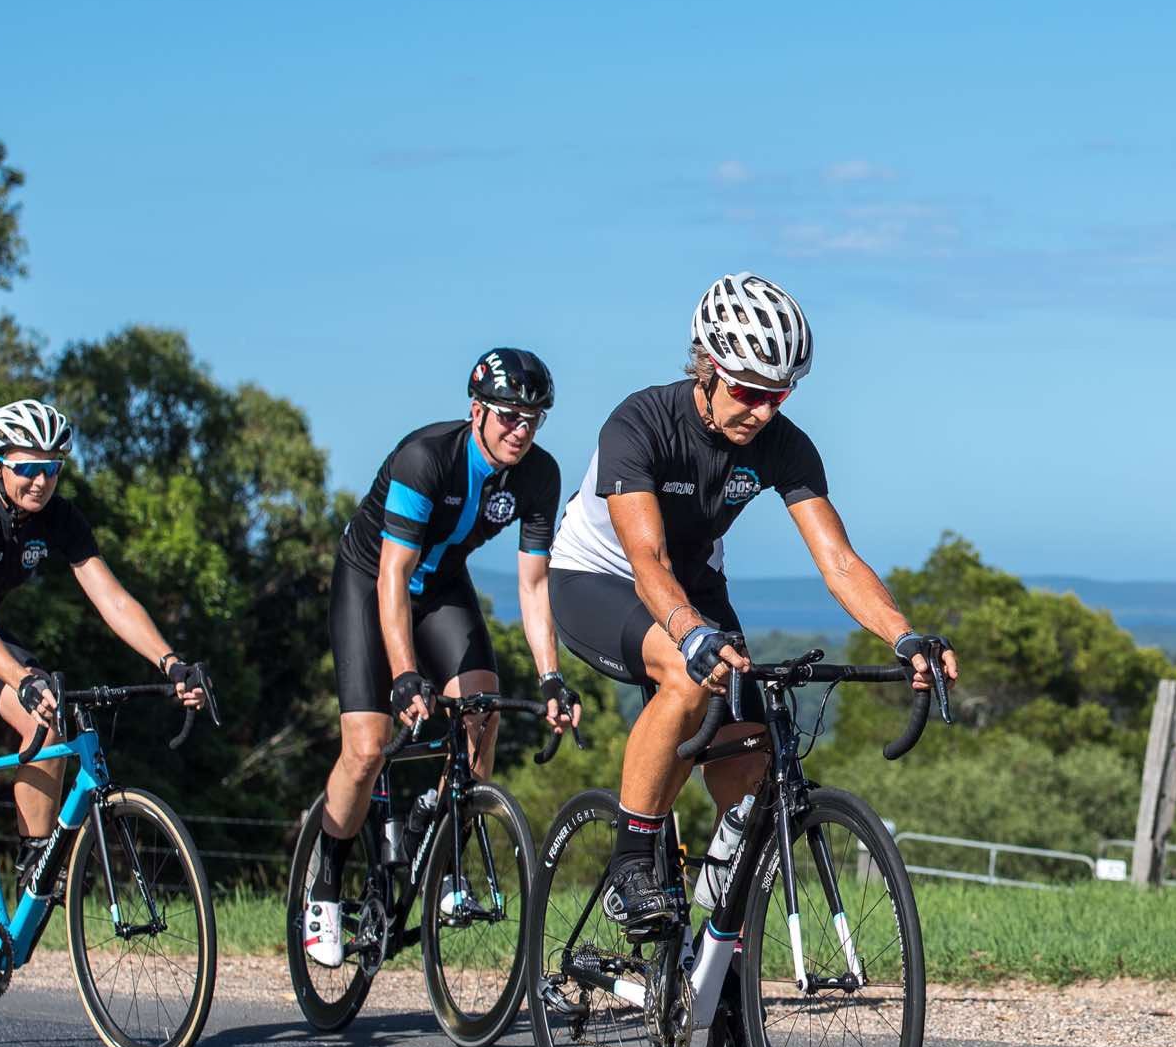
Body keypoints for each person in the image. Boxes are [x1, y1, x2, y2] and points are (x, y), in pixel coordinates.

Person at [548, 272, 958, 932]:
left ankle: (709, 927)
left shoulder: (780, 444)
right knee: (686, 676)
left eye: (779, 394)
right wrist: (691, 635)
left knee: (756, 751)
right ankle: (630, 866)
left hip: (696, 583)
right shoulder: (640, 422)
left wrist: (904, 636)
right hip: (599, 577)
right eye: (748, 391)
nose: (763, 411)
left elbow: (840, 562)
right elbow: (647, 561)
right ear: (707, 366)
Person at [0, 398, 211, 1021]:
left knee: (51, 713)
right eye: (27, 466)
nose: (40, 480)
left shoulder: (58, 516)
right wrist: (21, 678)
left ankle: (34, 859)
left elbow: (112, 599)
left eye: (52, 467)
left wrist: (170, 662)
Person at [302, 349, 575, 967]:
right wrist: (403, 676)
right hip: (370, 581)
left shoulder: (539, 475)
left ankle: (446, 860)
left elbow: (534, 586)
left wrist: (552, 677)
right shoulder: (426, 458)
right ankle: (324, 888)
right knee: (368, 746)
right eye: (509, 417)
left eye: (534, 418)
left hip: (443, 585)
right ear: (477, 411)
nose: (521, 431)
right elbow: (392, 576)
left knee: (482, 709)